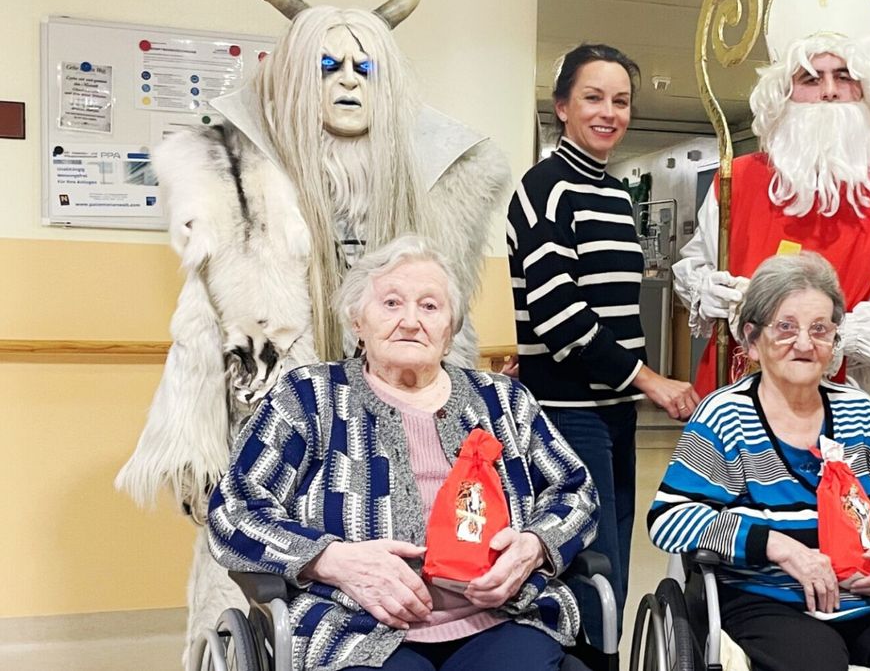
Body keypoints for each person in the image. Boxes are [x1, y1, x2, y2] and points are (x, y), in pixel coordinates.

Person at [116, 0, 512, 658]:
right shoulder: (239, 186)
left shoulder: (431, 186)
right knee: (256, 587)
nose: (349, 83)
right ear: (297, 78)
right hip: (276, 431)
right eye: (328, 67)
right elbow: (202, 326)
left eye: (365, 68)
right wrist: (201, 441)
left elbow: (446, 327)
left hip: (392, 445)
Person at [208, 236, 598, 671]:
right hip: (351, 626)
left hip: (503, 618)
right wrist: (330, 560)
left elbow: (576, 491)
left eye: (430, 307)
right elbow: (234, 511)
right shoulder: (310, 397)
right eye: (391, 303)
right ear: (358, 321)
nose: (411, 321)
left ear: (449, 330)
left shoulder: (502, 401)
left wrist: (535, 545)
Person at [650, 253, 870, 671]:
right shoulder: (724, 416)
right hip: (774, 599)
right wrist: (779, 547)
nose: (804, 344)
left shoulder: (860, 412)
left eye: (820, 329)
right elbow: (671, 518)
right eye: (785, 327)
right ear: (752, 339)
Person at [505, 43, 699, 666]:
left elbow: (615, 311)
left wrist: (635, 387)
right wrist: (653, 381)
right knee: (586, 576)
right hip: (565, 414)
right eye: (593, 98)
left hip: (613, 412)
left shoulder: (616, 196)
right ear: (562, 106)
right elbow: (562, 321)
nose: (608, 112)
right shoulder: (544, 190)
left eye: (620, 101)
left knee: (610, 565)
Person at [674, 0, 870, 402]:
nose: (829, 91)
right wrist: (710, 289)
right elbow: (695, 266)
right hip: (731, 403)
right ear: (783, 93)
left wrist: (821, 332)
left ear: (867, 92)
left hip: (839, 414)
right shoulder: (735, 182)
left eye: (844, 77)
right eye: (809, 78)